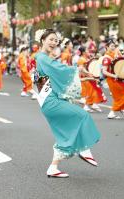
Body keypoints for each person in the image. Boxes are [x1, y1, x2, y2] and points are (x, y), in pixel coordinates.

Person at [34, 29, 101, 178]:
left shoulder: (42, 59)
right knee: (83, 115)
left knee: (66, 134)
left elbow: (58, 79)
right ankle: (83, 149)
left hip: (49, 101)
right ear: (43, 40)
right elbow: (62, 71)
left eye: (56, 40)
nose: (53, 43)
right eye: (51, 39)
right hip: (51, 102)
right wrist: (79, 70)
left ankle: (53, 167)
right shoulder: (43, 58)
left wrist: (84, 78)